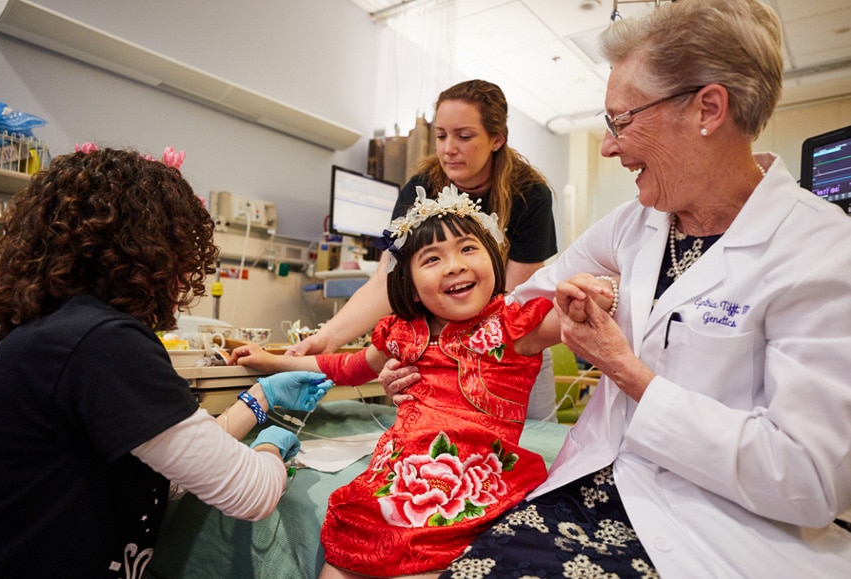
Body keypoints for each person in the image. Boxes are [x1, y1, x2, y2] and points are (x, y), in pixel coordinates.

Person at [429, 1, 851, 576]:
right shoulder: (637, 223)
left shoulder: (822, 247)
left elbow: (806, 478)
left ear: (708, 108)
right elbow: (522, 308)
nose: (608, 146)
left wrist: (626, 371)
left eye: (622, 121)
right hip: (599, 480)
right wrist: (428, 357)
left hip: (722, 529)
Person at [0, 146, 332, 579]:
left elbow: (164, 461)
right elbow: (250, 493)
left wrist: (258, 399)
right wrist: (275, 442)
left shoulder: (62, 332)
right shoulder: (105, 344)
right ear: (152, 251)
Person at [229, 187, 614, 578]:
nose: (454, 266)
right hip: (396, 476)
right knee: (346, 553)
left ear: (494, 259)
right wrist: (274, 361)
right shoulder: (401, 333)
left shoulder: (512, 327)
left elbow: (573, 317)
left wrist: (594, 293)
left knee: (437, 556)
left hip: (475, 481)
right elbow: (348, 366)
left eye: (467, 249)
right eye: (432, 258)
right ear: (410, 284)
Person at [290, 79, 560, 420]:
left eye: (463, 136)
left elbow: (515, 300)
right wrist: (326, 339)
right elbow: (386, 281)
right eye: (441, 135)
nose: (448, 148)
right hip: (440, 339)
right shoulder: (422, 188)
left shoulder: (529, 194)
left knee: (535, 441)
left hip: (513, 341)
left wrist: (434, 350)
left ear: (496, 138)